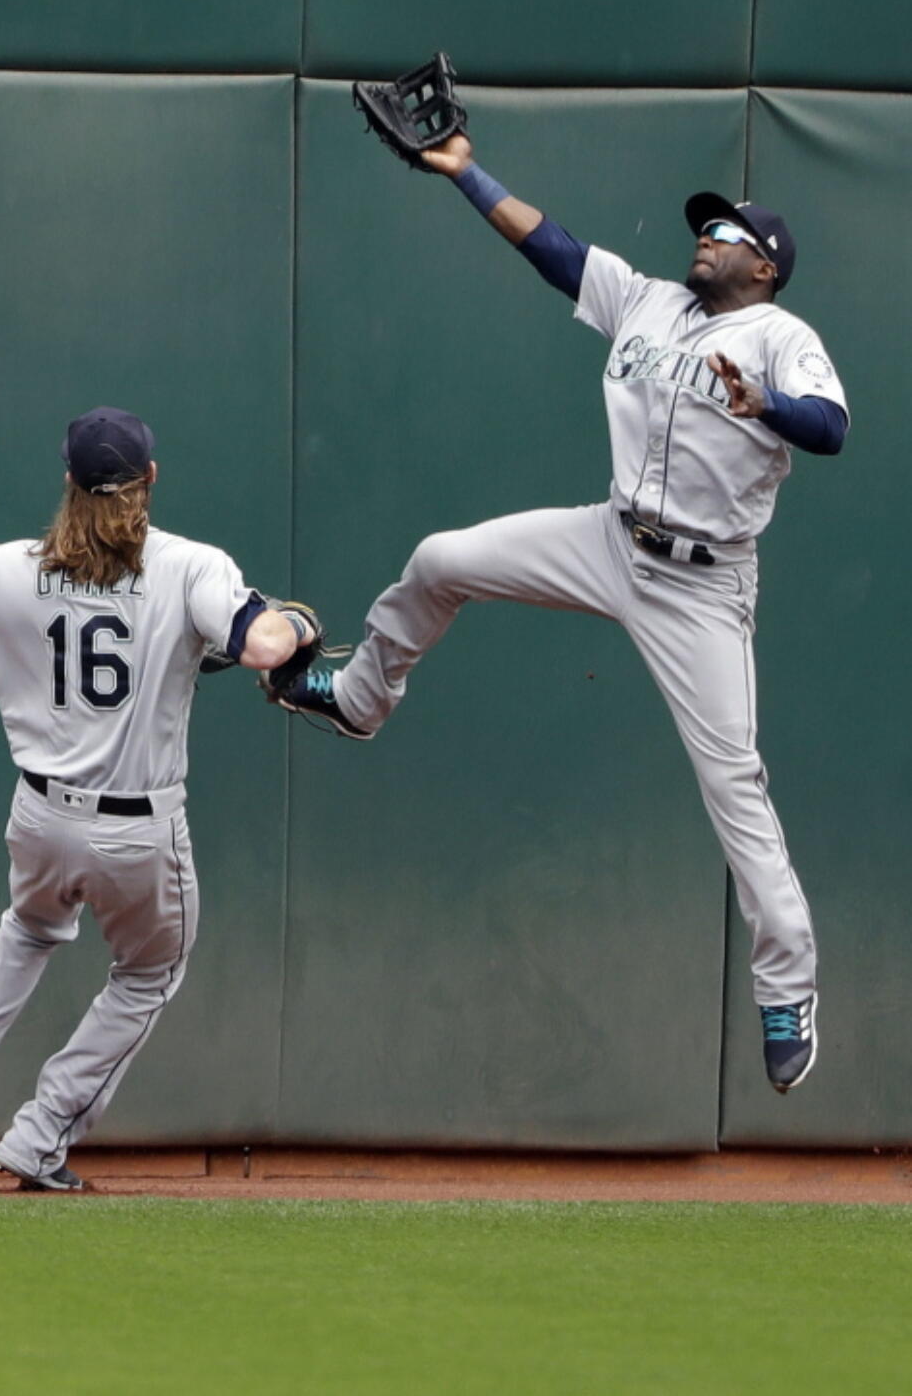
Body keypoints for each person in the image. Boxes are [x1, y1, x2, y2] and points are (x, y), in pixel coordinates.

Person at [267, 134, 848, 1095]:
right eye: (702, 224)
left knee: (735, 786)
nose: (705, 234)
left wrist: (769, 405)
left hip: (703, 584)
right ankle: (361, 694)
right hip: (610, 536)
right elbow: (555, 249)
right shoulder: (651, 300)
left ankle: (786, 988)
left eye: (726, 231)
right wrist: (465, 172)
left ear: (766, 265)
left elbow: (832, 429)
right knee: (440, 560)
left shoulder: (785, 337)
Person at [0, 406, 316, 1190]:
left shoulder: (3, 566)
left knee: (30, 929)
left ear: (69, 481)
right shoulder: (190, 566)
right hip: (139, 830)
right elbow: (265, 646)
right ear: (150, 480)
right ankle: (39, 1136)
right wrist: (300, 625)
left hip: (41, 814)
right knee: (147, 973)